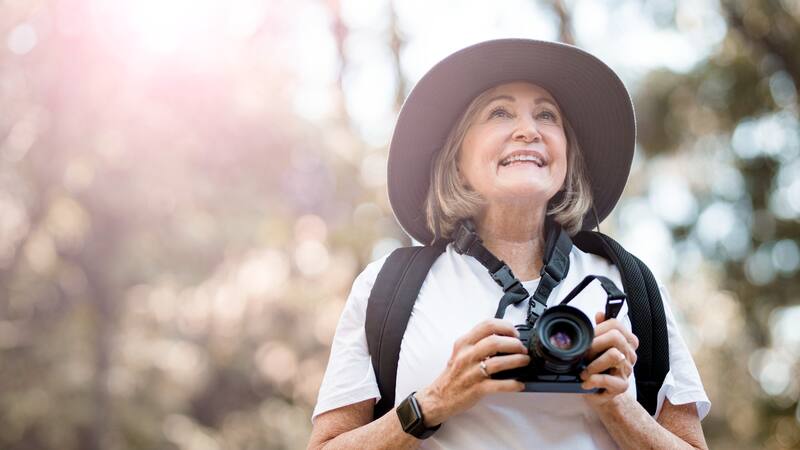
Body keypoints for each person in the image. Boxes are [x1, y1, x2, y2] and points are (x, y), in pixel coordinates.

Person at [307, 39, 710, 449]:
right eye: (499, 112)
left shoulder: (628, 284)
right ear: (456, 159)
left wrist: (621, 407)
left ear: (566, 154)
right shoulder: (388, 287)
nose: (528, 131)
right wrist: (434, 401)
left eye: (547, 115)